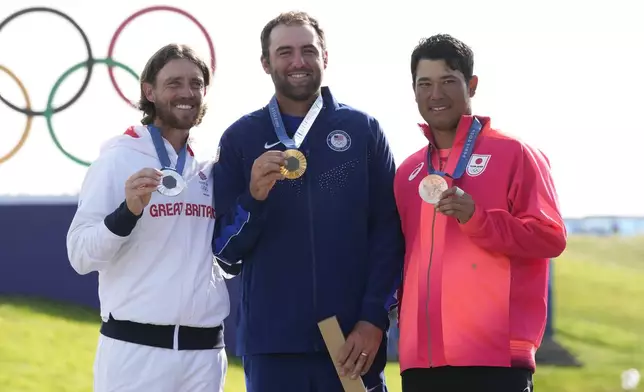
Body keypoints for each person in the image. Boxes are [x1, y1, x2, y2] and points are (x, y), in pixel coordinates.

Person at [211, 11, 404, 392]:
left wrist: (373, 320)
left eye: (307, 51)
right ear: (266, 63)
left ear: (325, 57)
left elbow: (389, 233)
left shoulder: (362, 130)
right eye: (284, 52)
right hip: (274, 348)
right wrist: (253, 198)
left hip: (352, 342)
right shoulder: (241, 138)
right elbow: (224, 253)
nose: (297, 62)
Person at [393, 34, 567, 392]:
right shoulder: (407, 172)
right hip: (420, 361)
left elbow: (550, 237)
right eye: (424, 84)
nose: (435, 95)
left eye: (447, 82)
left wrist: (479, 220)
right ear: (413, 91)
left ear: (471, 85)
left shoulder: (515, 154)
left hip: (495, 359)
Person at [66, 43, 229, 392]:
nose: (187, 93)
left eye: (196, 83)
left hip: (204, 356)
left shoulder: (211, 165)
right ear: (149, 91)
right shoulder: (117, 159)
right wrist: (128, 212)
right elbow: (79, 255)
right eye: (174, 83)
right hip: (135, 353)